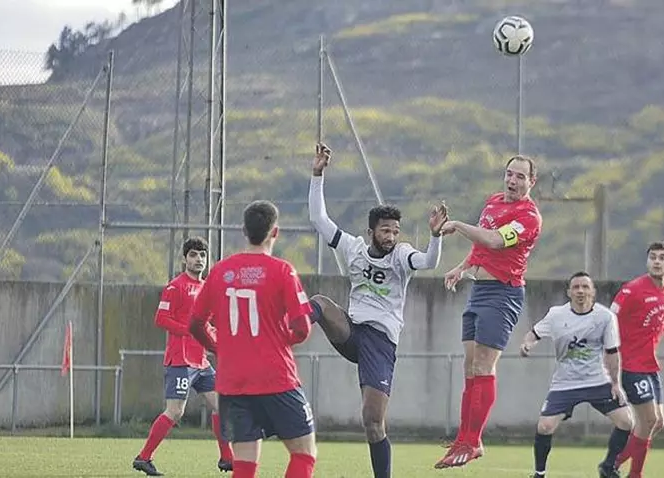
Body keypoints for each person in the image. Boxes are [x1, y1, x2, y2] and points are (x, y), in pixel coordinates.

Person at [307, 142, 448, 478]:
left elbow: (428, 262)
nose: (391, 236)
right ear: (370, 232)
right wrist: (317, 174)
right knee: (320, 304)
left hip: (380, 343)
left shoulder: (402, 255)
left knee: (372, 422)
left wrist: (435, 236)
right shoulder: (354, 247)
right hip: (352, 331)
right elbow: (318, 219)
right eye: (385, 230)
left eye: (396, 231)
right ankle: (281, 334)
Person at [189, 200, 317, 478]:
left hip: (233, 382)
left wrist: (217, 347)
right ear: (275, 232)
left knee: (245, 463)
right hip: (276, 377)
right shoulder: (283, 271)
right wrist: (283, 339)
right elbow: (302, 327)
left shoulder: (220, 271)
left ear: (244, 231)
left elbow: (196, 323)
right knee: (304, 453)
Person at [434, 154, 543, 469]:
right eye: (509, 174)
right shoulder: (493, 202)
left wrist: (457, 225)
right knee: (470, 366)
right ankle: (465, 438)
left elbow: (495, 241)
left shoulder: (529, 216)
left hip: (503, 293)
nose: (512, 181)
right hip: (478, 291)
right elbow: (481, 247)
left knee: (483, 366)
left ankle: (472, 442)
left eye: (520, 176)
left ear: (531, 181)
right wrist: (462, 267)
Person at [133, 236, 233, 476]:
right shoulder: (175, 287)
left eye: (202, 255)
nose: (199, 259)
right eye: (193, 255)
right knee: (175, 411)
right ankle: (143, 458)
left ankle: (226, 458)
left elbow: (208, 322)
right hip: (180, 360)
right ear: (185, 259)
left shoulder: (207, 288)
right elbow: (161, 319)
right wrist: (190, 330)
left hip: (201, 362)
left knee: (221, 405)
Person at [519, 271, 632, 478]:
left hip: (597, 380)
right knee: (544, 427)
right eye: (576, 287)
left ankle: (608, 467)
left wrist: (616, 384)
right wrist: (527, 344)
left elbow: (612, 352)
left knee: (626, 422)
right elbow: (533, 334)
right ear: (569, 292)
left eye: (585, 287)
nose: (581, 291)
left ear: (593, 292)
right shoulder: (556, 315)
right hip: (565, 383)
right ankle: (539, 474)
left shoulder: (605, 317)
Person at [611, 241, 664, 478]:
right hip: (630, 364)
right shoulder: (631, 290)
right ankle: (635, 474)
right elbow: (608, 320)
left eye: (662, 257)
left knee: (658, 422)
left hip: (650, 365)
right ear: (647, 262)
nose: (657, 261)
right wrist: (607, 354)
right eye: (653, 257)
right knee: (649, 420)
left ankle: (613, 462)